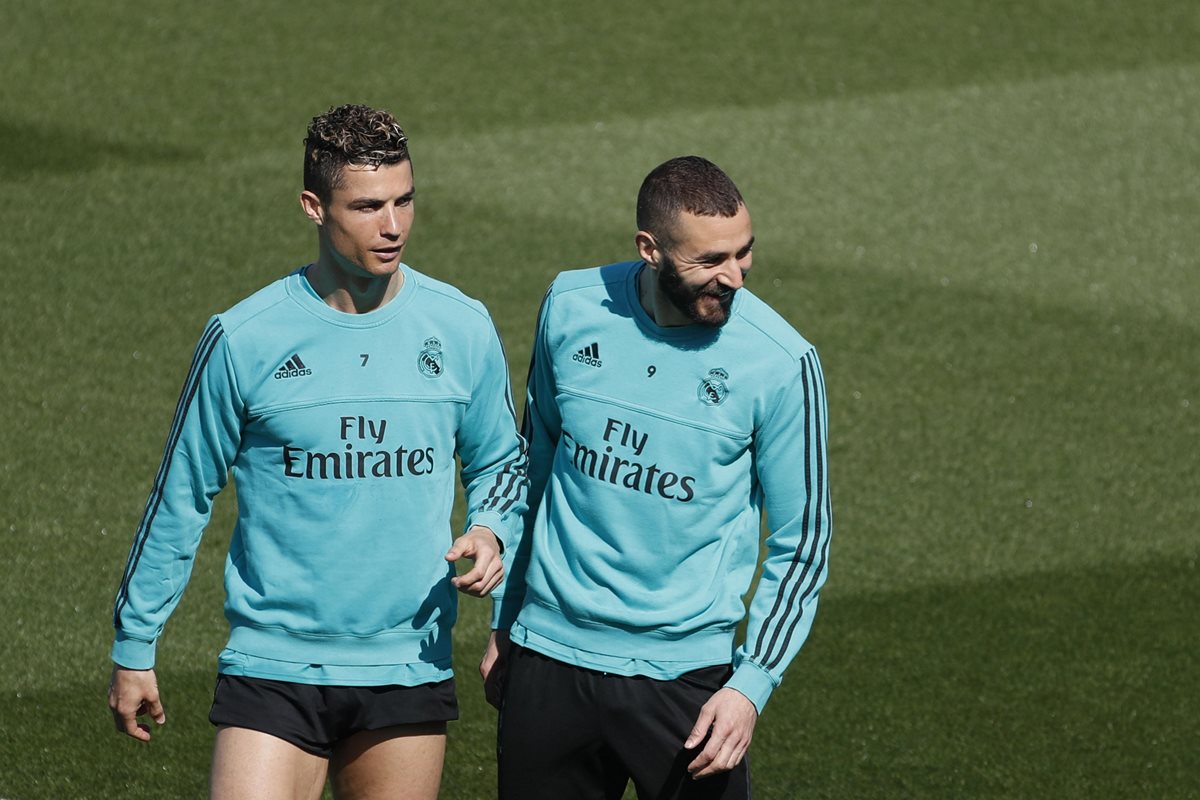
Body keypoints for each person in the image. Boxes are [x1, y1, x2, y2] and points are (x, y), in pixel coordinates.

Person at [107, 104, 527, 800]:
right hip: (274, 666)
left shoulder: (460, 327)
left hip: (406, 666)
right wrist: (135, 644)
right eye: (366, 206)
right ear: (312, 206)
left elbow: (501, 465)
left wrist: (491, 531)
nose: (392, 225)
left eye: (404, 201)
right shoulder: (245, 338)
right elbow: (180, 495)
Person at [482, 156, 832, 799]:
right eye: (710, 261)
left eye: (744, 254)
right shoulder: (571, 305)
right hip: (550, 662)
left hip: (687, 686)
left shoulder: (781, 363)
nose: (734, 277)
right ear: (650, 249)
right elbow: (533, 467)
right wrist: (507, 620)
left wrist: (750, 686)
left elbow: (803, 545)